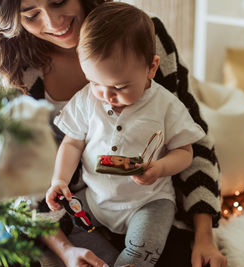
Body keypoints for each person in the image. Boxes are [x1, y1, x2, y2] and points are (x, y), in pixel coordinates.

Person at [0, 0, 227, 266]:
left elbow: (192, 142)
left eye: (59, 1)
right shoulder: (11, 69)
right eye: (31, 15)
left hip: (146, 202)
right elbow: (15, 176)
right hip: (66, 213)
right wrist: (65, 250)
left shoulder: (139, 30)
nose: (53, 23)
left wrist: (204, 236)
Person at [46, 3, 206, 267]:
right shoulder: (87, 100)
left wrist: (160, 167)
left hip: (149, 202)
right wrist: (59, 180)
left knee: (146, 245)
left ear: (151, 68)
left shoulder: (165, 105)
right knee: (70, 224)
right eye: (96, 83)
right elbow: (72, 143)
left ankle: (129, 260)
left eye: (119, 86)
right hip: (96, 199)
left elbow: (186, 152)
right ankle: (106, 261)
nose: (107, 96)